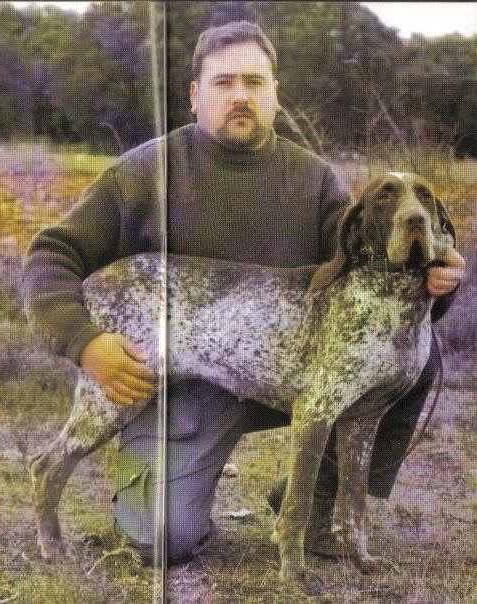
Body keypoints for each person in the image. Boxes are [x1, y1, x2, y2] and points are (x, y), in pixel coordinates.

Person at [23, 21, 465, 565]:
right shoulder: (144, 171)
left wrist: (437, 281)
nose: (240, 95)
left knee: (413, 353)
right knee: (162, 541)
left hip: (284, 374)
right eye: (223, 82)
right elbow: (52, 253)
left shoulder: (315, 180)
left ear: (275, 94)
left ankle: (314, 506)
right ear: (194, 95)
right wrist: (86, 342)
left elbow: (371, 274)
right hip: (181, 385)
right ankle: (102, 494)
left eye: (254, 82)